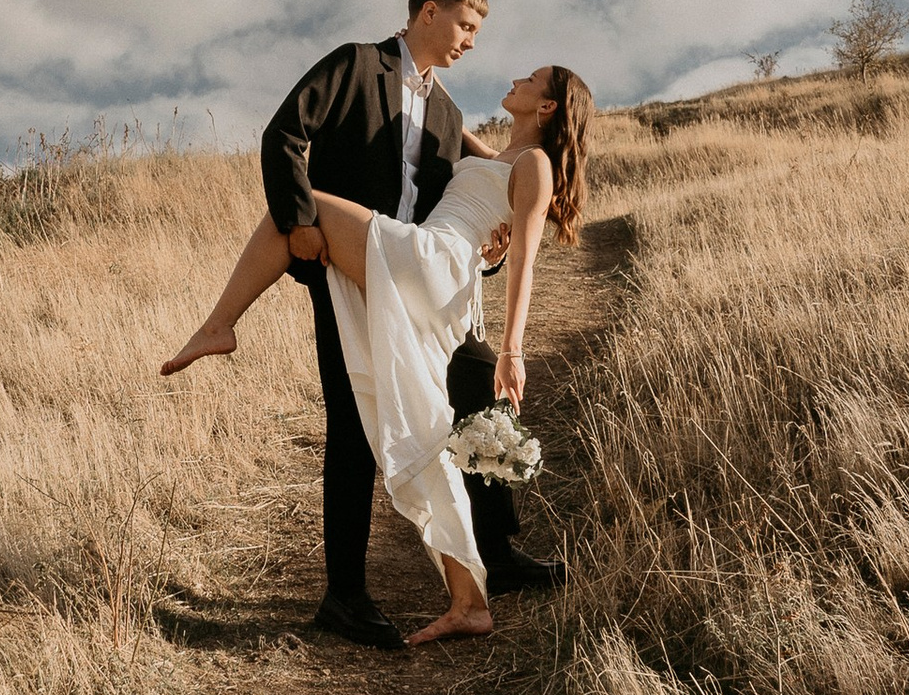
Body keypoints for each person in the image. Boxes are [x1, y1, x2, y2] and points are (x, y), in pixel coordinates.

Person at [162, 46, 593, 648]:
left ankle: (220, 324)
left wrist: (514, 348)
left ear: (547, 105)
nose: (516, 77)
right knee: (420, 421)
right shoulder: (498, 153)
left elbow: (523, 257)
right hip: (432, 270)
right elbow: (428, 118)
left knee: (297, 205)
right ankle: (468, 598)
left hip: (433, 265)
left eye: (532, 79)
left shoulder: (538, 166)